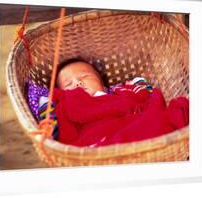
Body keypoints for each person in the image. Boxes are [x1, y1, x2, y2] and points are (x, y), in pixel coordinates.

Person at [38, 58, 189, 147]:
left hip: (137, 129)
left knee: (170, 113)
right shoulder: (64, 102)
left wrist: (136, 87)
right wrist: (46, 133)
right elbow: (50, 121)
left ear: (104, 86)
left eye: (84, 76)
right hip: (96, 145)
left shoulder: (121, 93)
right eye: (68, 83)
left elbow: (147, 96)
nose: (77, 83)